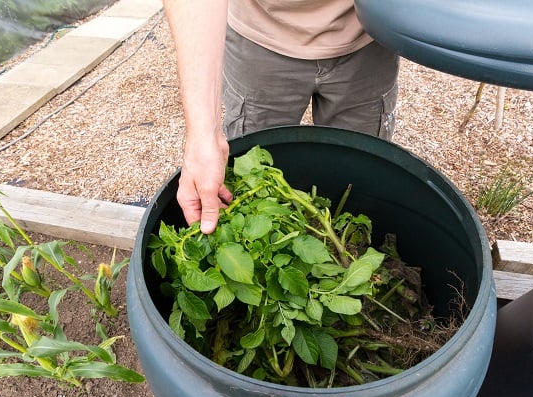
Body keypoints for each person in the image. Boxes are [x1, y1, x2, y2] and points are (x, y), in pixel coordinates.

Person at [163, 0, 400, 233]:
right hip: (260, 34)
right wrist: (203, 134)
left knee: (362, 184)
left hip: (367, 34)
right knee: (254, 181)